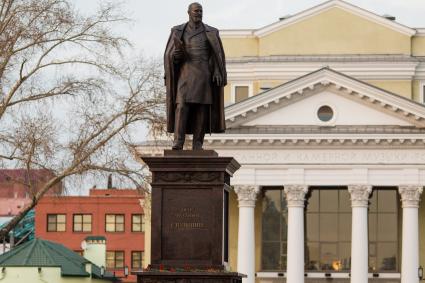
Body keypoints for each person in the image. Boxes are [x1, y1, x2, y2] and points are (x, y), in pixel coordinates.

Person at [164, 2, 227, 150]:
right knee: (181, 106)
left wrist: (218, 71)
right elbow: (170, 56)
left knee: (202, 108)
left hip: (204, 73)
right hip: (185, 73)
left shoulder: (211, 31)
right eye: (196, 11)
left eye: (201, 11)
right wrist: (176, 55)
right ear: (189, 13)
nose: (199, 13)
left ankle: (197, 143)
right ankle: (178, 141)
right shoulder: (178, 30)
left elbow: (217, 55)